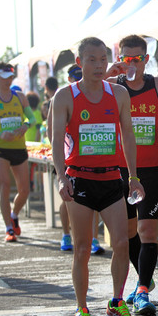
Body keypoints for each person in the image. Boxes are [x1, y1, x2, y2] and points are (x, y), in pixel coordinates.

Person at [52, 37, 144, 316]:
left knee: (121, 244)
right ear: (79, 63)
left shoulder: (118, 93)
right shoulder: (65, 96)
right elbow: (55, 142)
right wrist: (60, 176)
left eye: (103, 59)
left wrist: (133, 177)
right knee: (81, 249)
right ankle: (81, 309)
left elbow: (128, 135)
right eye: (91, 59)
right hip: (79, 180)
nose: (98, 65)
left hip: (110, 179)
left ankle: (117, 302)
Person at [105, 34, 158, 316]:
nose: (132, 63)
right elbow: (78, 93)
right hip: (119, 171)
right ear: (120, 59)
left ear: (146, 59)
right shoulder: (111, 87)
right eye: (126, 58)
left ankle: (143, 291)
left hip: (149, 170)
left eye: (137, 58)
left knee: (148, 231)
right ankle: (144, 277)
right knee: (126, 233)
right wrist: (108, 76)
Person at [47, 64, 105, 254]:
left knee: (94, 200)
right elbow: (51, 132)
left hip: (91, 157)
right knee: (67, 200)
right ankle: (65, 234)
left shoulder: (97, 94)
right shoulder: (61, 96)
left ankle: (94, 238)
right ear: (70, 78)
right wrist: (61, 157)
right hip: (68, 159)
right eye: (75, 77)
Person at [0, 63, 36, 242]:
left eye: (10, 78)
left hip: (19, 148)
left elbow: (33, 118)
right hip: (1, 149)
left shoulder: (20, 97)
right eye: (4, 78)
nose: (8, 81)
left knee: (24, 190)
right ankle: (8, 229)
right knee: (4, 187)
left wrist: (25, 125)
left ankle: (14, 214)